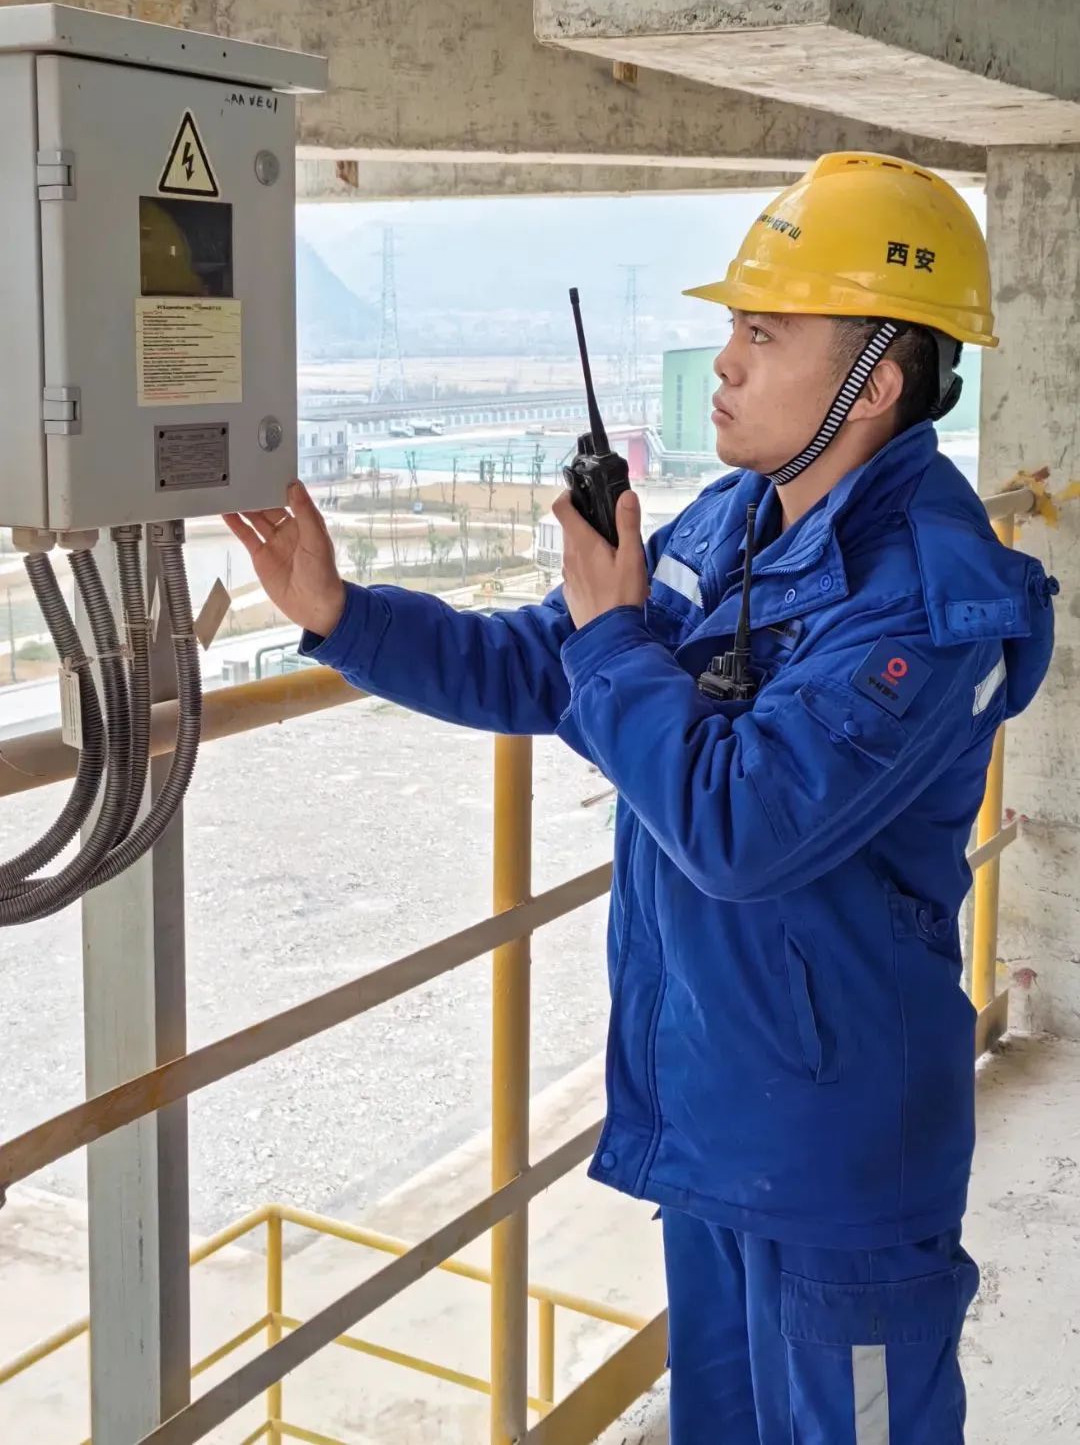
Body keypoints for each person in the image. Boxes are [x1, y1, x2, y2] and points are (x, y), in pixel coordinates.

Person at [226, 153, 1056, 1444]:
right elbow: (548, 664)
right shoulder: (732, 524)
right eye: (735, 327)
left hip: (840, 1152)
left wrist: (616, 635)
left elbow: (741, 830)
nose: (724, 361)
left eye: (764, 333)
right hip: (719, 1114)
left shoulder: (927, 603)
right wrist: (344, 615)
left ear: (876, 381)